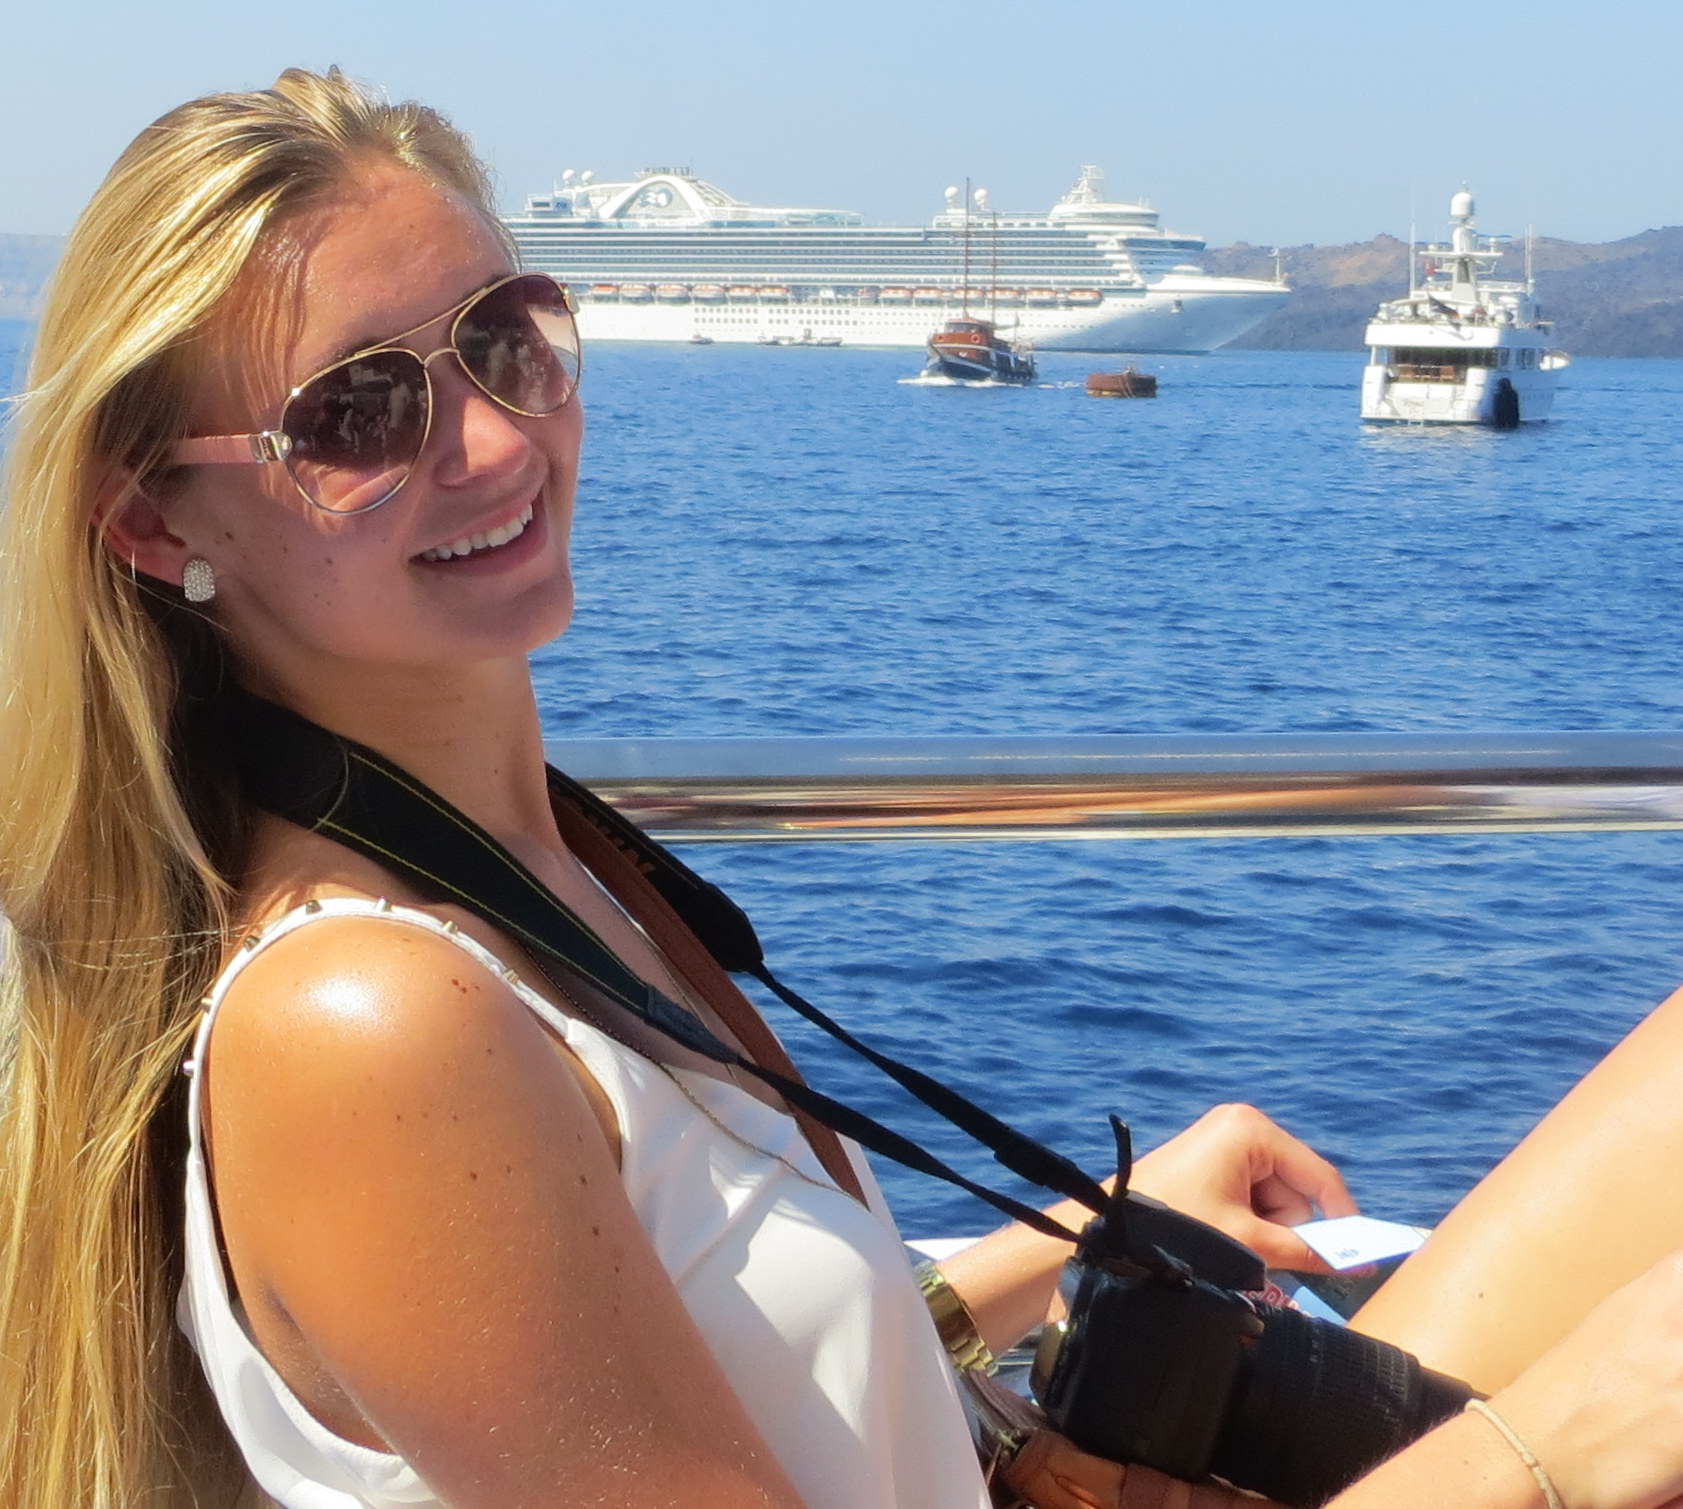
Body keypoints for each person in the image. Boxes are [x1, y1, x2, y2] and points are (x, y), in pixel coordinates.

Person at [4, 67, 1683, 1509]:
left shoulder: (547, 865)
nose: (499, 443)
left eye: (507, 341)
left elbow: (700, 1342)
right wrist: (1554, 1454)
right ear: (153, 521)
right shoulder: (368, 1024)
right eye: (361, 412)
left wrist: (1063, 1237)